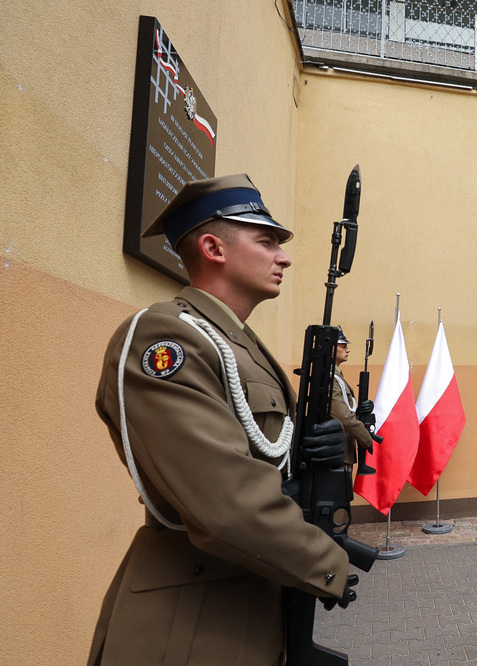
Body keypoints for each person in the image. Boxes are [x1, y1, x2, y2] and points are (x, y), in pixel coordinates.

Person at [89, 175, 354, 665]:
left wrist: (321, 450)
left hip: (253, 597)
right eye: (267, 241)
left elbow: (268, 454)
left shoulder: (239, 345)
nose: (284, 257)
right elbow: (224, 502)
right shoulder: (165, 336)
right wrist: (328, 562)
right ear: (214, 247)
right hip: (192, 621)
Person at [329, 330, 375, 474]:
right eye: (342, 346)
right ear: (330, 347)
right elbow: (342, 417)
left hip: (341, 450)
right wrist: (366, 438)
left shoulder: (336, 376)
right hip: (334, 452)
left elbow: (346, 409)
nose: (347, 349)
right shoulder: (328, 377)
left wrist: (360, 411)